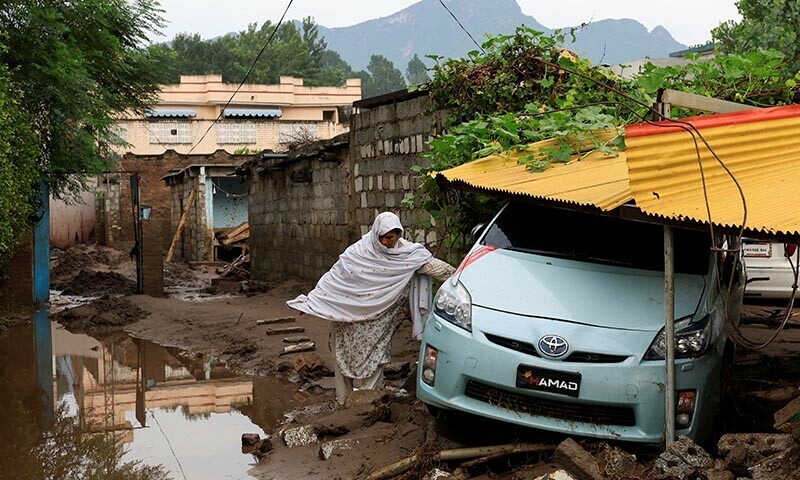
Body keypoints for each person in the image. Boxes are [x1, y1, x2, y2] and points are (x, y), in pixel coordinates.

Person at [287, 212, 454, 405]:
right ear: (375, 233)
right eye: (381, 236)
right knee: (343, 358)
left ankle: (367, 404)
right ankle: (343, 401)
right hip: (347, 319)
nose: (385, 241)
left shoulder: (407, 255)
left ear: (398, 235)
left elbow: (434, 267)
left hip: (379, 320)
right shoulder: (358, 253)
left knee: (376, 358)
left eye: (390, 237)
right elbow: (334, 279)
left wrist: (460, 275)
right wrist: (312, 303)